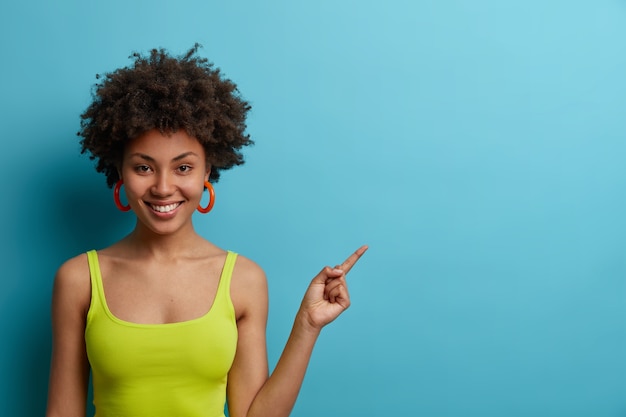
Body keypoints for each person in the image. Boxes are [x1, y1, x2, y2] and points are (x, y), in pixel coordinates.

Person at [45, 44, 367, 417]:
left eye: (183, 168)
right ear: (119, 172)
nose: (164, 188)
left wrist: (307, 326)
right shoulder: (78, 279)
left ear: (207, 172)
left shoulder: (243, 279)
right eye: (144, 167)